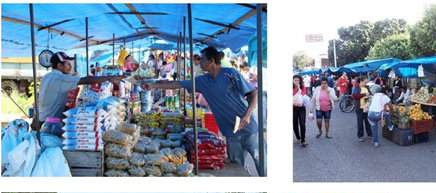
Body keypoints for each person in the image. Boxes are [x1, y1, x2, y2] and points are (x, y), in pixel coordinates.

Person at [144, 46, 264, 176]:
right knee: (237, 169)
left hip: (250, 131)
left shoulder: (231, 74)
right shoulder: (203, 81)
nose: (199, 62)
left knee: (263, 164)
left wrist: (247, 115)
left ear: (211, 60)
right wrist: (153, 85)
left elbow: (253, 93)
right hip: (231, 134)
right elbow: (179, 84)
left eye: (202, 60)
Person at [37, 52, 123, 127]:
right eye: (67, 64)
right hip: (50, 123)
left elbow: (38, 96)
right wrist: (109, 78)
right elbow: (86, 80)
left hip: (41, 119)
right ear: (59, 65)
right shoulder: (60, 78)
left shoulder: (47, 76)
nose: (70, 66)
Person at [352, 76, 372, 142]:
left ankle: (370, 134)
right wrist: (363, 95)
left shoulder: (367, 87)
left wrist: (370, 96)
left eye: (367, 82)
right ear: (361, 81)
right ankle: (360, 135)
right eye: (365, 82)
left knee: (368, 122)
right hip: (360, 108)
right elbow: (354, 96)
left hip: (366, 108)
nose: (366, 83)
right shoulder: (356, 88)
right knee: (360, 122)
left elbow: (371, 94)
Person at [293, 74, 308, 146]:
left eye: (298, 80)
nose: (296, 82)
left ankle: (303, 140)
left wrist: (299, 89)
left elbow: (303, 96)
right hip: (293, 108)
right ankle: (298, 137)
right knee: (295, 124)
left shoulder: (302, 87)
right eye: (295, 80)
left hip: (301, 108)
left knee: (302, 123)